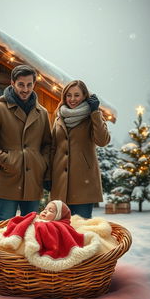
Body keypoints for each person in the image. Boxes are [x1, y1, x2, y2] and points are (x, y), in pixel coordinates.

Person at [0, 64, 52, 221]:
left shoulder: (42, 113)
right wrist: (6, 160)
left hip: (33, 178)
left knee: (30, 226)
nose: (25, 89)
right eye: (21, 84)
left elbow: (47, 144)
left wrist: (42, 162)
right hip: (8, 177)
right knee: (4, 225)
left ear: (34, 84)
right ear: (12, 83)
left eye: (29, 84)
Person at [50, 80, 110, 218]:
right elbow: (53, 147)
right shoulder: (59, 116)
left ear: (84, 96)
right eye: (69, 95)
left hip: (83, 183)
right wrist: (48, 176)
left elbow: (102, 140)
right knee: (60, 230)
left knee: (81, 229)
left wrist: (95, 112)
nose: (72, 99)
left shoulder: (92, 117)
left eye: (77, 95)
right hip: (60, 183)